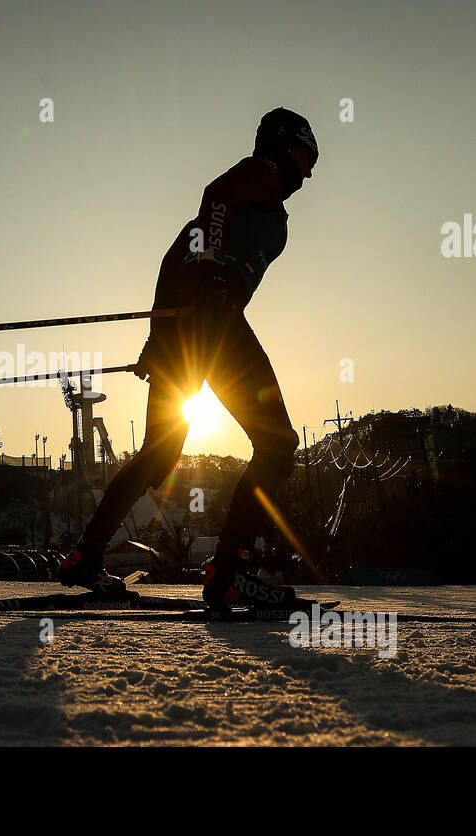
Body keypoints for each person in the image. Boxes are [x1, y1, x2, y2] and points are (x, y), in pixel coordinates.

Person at [58, 108, 318, 610]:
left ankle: (86, 555)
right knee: (278, 444)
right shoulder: (259, 173)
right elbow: (213, 198)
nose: (308, 174)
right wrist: (213, 269)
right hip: (215, 325)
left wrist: (159, 337)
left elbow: (173, 256)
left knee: (159, 453)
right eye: (307, 158)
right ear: (286, 148)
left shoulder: (257, 201)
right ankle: (229, 571)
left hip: (188, 328)